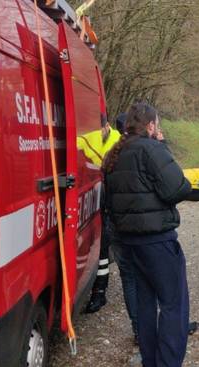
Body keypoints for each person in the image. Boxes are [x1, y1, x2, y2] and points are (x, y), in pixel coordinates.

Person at [103, 102, 199, 367]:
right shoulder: (151, 149)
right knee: (174, 303)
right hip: (155, 240)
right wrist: (163, 149)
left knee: (146, 304)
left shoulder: (114, 154)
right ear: (150, 126)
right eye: (157, 125)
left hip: (127, 242)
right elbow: (178, 187)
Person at [84, 114, 122, 313]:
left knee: (105, 248)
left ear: (107, 126)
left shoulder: (117, 141)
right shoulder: (86, 138)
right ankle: (98, 292)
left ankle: (100, 292)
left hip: (109, 203)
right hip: (96, 201)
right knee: (101, 250)